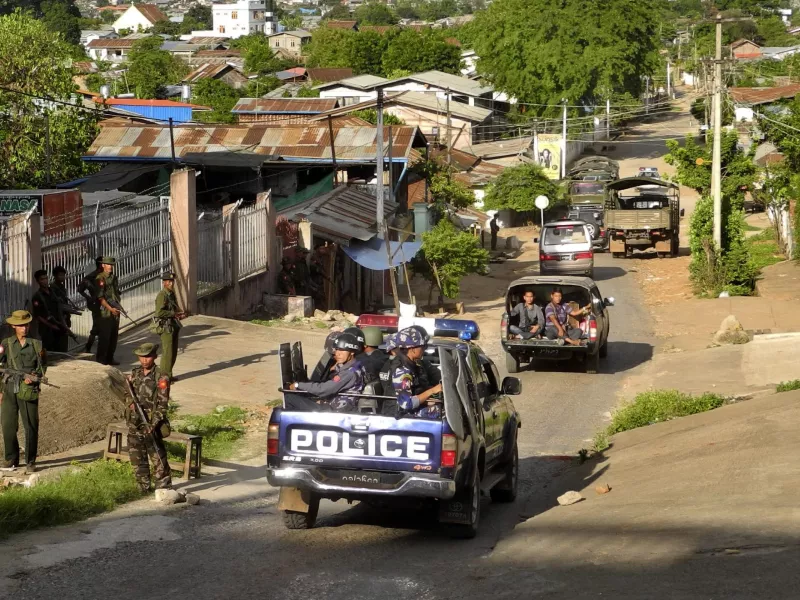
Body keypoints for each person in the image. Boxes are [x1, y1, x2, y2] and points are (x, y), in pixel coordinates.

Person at [0, 310, 46, 473]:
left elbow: (43, 366)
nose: (24, 328)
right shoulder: (6, 344)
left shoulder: (36, 344)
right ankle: (11, 459)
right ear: (13, 326)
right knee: (8, 425)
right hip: (9, 387)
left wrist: (34, 377)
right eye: (20, 325)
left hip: (27, 389)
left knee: (31, 425)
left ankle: (30, 461)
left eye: (26, 325)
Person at [126, 343, 172, 493]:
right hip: (135, 421)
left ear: (154, 357)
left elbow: (163, 403)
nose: (145, 360)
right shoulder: (135, 373)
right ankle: (142, 486)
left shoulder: (161, 376)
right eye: (142, 357)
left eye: (148, 357)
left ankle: (163, 486)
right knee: (137, 456)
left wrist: (154, 423)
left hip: (151, 422)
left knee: (157, 456)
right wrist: (130, 403)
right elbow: (127, 394)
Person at [284, 333, 367, 412]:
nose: (337, 354)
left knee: (289, 398)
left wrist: (297, 385)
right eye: (337, 349)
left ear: (352, 352)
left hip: (336, 411)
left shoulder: (349, 373)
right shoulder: (357, 365)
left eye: (342, 350)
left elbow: (324, 389)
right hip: (337, 405)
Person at [380, 327, 442, 419]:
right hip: (399, 416)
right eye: (423, 346)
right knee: (438, 412)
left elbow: (418, 390)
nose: (424, 349)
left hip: (407, 412)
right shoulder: (402, 370)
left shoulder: (412, 364)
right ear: (412, 349)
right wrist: (432, 391)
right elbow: (406, 403)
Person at [153, 272, 186, 381]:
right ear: (164, 283)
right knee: (167, 353)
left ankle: (169, 374)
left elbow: (174, 309)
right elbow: (159, 313)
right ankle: (163, 377)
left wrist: (179, 314)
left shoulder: (171, 294)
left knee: (173, 352)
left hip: (173, 326)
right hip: (166, 327)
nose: (171, 283)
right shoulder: (162, 295)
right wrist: (172, 314)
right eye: (168, 281)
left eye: (172, 281)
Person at [32, 269, 68, 352]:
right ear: (38, 281)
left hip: (59, 326)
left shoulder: (53, 291)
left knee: (63, 351)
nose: (45, 281)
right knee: (51, 353)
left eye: (46, 278)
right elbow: (38, 316)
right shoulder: (37, 297)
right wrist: (52, 326)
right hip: (47, 330)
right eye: (42, 279)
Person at [94, 256, 121, 365]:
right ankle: (101, 360)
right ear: (103, 265)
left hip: (115, 309)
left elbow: (116, 293)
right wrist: (110, 308)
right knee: (105, 336)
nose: (110, 267)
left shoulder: (114, 278)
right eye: (108, 264)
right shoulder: (100, 278)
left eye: (111, 265)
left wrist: (118, 307)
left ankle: (110, 358)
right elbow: (100, 297)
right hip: (105, 312)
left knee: (113, 336)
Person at [78, 257, 103, 354]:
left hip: (105, 303)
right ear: (101, 265)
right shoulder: (91, 277)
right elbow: (80, 289)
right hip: (96, 304)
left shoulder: (106, 276)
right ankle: (88, 347)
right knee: (97, 326)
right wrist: (89, 298)